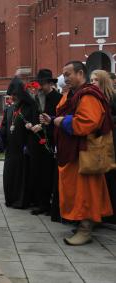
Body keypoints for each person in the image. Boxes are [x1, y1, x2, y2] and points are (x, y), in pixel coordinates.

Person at [42, 61, 113, 245]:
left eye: (68, 74)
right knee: (79, 191)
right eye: (64, 75)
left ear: (80, 73)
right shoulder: (74, 94)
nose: (65, 78)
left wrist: (61, 121)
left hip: (84, 153)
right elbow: (65, 113)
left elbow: (88, 122)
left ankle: (86, 229)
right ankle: (83, 223)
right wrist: (54, 120)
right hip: (73, 151)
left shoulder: (88, 94)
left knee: (86, 192)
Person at [28, 69, 62, 215]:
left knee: (49, 174)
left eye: (42, 84)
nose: (39, 87)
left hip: (51, 141)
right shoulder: (37, 98)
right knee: (39, 173)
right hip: (38, 141)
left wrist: (43, 125)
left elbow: (58, 118)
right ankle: (42, 203)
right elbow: (35, 116)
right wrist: (32, 124)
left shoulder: (58, 98)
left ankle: (51, 205)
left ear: (50, 83)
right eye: (39, 84)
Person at [1, 77, 38, 209]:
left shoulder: (31, 106)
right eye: (12, 95)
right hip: (11, 149)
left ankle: (21, 201)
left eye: (16, 95)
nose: (13, 97)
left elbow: (35, 126)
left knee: (22, 176)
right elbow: (5, 126)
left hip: (23, 148)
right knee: (10, 174)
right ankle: (10, 198)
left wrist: (29, 144)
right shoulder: (10, 109)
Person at [90, 69, 116, 224]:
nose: (92, 82)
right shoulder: (93, 98)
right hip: (99, 141)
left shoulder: (112, 97)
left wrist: (105, 118)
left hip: (112, 140)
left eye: (95, 80)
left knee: (111, 175)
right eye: (91, 80)